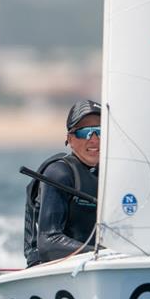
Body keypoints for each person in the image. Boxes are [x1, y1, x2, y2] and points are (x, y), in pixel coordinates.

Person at [24, 99, 101, 267]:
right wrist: (102, 254)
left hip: (102, 263)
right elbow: (48, 242)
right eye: (84, 132)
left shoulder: (112, 173)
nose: (94, 139)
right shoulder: (59, 173)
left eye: (100, 131)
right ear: (70, 139)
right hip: (49, 268)